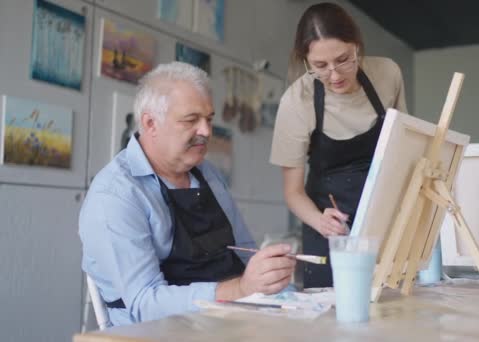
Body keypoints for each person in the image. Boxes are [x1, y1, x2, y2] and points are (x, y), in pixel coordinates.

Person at [80, 62, 295, 326]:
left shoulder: (208, 174)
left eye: (209, 119)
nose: (206, 131)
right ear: (150, 123)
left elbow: (245, 253)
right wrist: (240, 289)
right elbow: (145, 305)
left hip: (230, 320)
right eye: (191, 120)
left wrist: (271, 274)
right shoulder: (116, 196)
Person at [270, 3, 408, 288]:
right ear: (306, 61)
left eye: (343, 59)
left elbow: (403, 148)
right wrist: (321, 222)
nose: (334, 75)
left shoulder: (387, 75)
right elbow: (293, 192)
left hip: (383, 221)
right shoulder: (296, 102)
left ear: (356, 46)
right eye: (320, 66)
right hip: (329, 231)